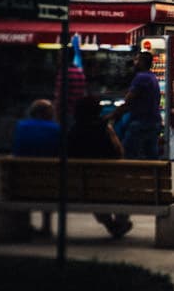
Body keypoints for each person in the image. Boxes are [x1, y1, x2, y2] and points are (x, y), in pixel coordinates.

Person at [68, 95, 132, 238]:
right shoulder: (104, 129)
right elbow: (119, 152)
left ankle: (110, 224)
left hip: (84, 186)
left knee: (93, 190)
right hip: (110, 182)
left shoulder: (73, 132)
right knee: (125, 186)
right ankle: (120, 221)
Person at [10, 99, 60, 235]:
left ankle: (24, 225)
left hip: (22, 183)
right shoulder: (56, 129)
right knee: (49, 179)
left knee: (29, 180)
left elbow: (16, 150)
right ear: (46, 113)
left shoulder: (21, 126)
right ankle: (46, 225)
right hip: (50, 184)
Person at [105, 51, 161, 160]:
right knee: (151, 155)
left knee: (127, 153)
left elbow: (129, 101)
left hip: (141, 122)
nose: (134, 63)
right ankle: (153, 175)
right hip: (154, 121)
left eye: (137, 60)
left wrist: (111, 116)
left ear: (142, 62)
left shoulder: (141, 77)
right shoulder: (152, 77)